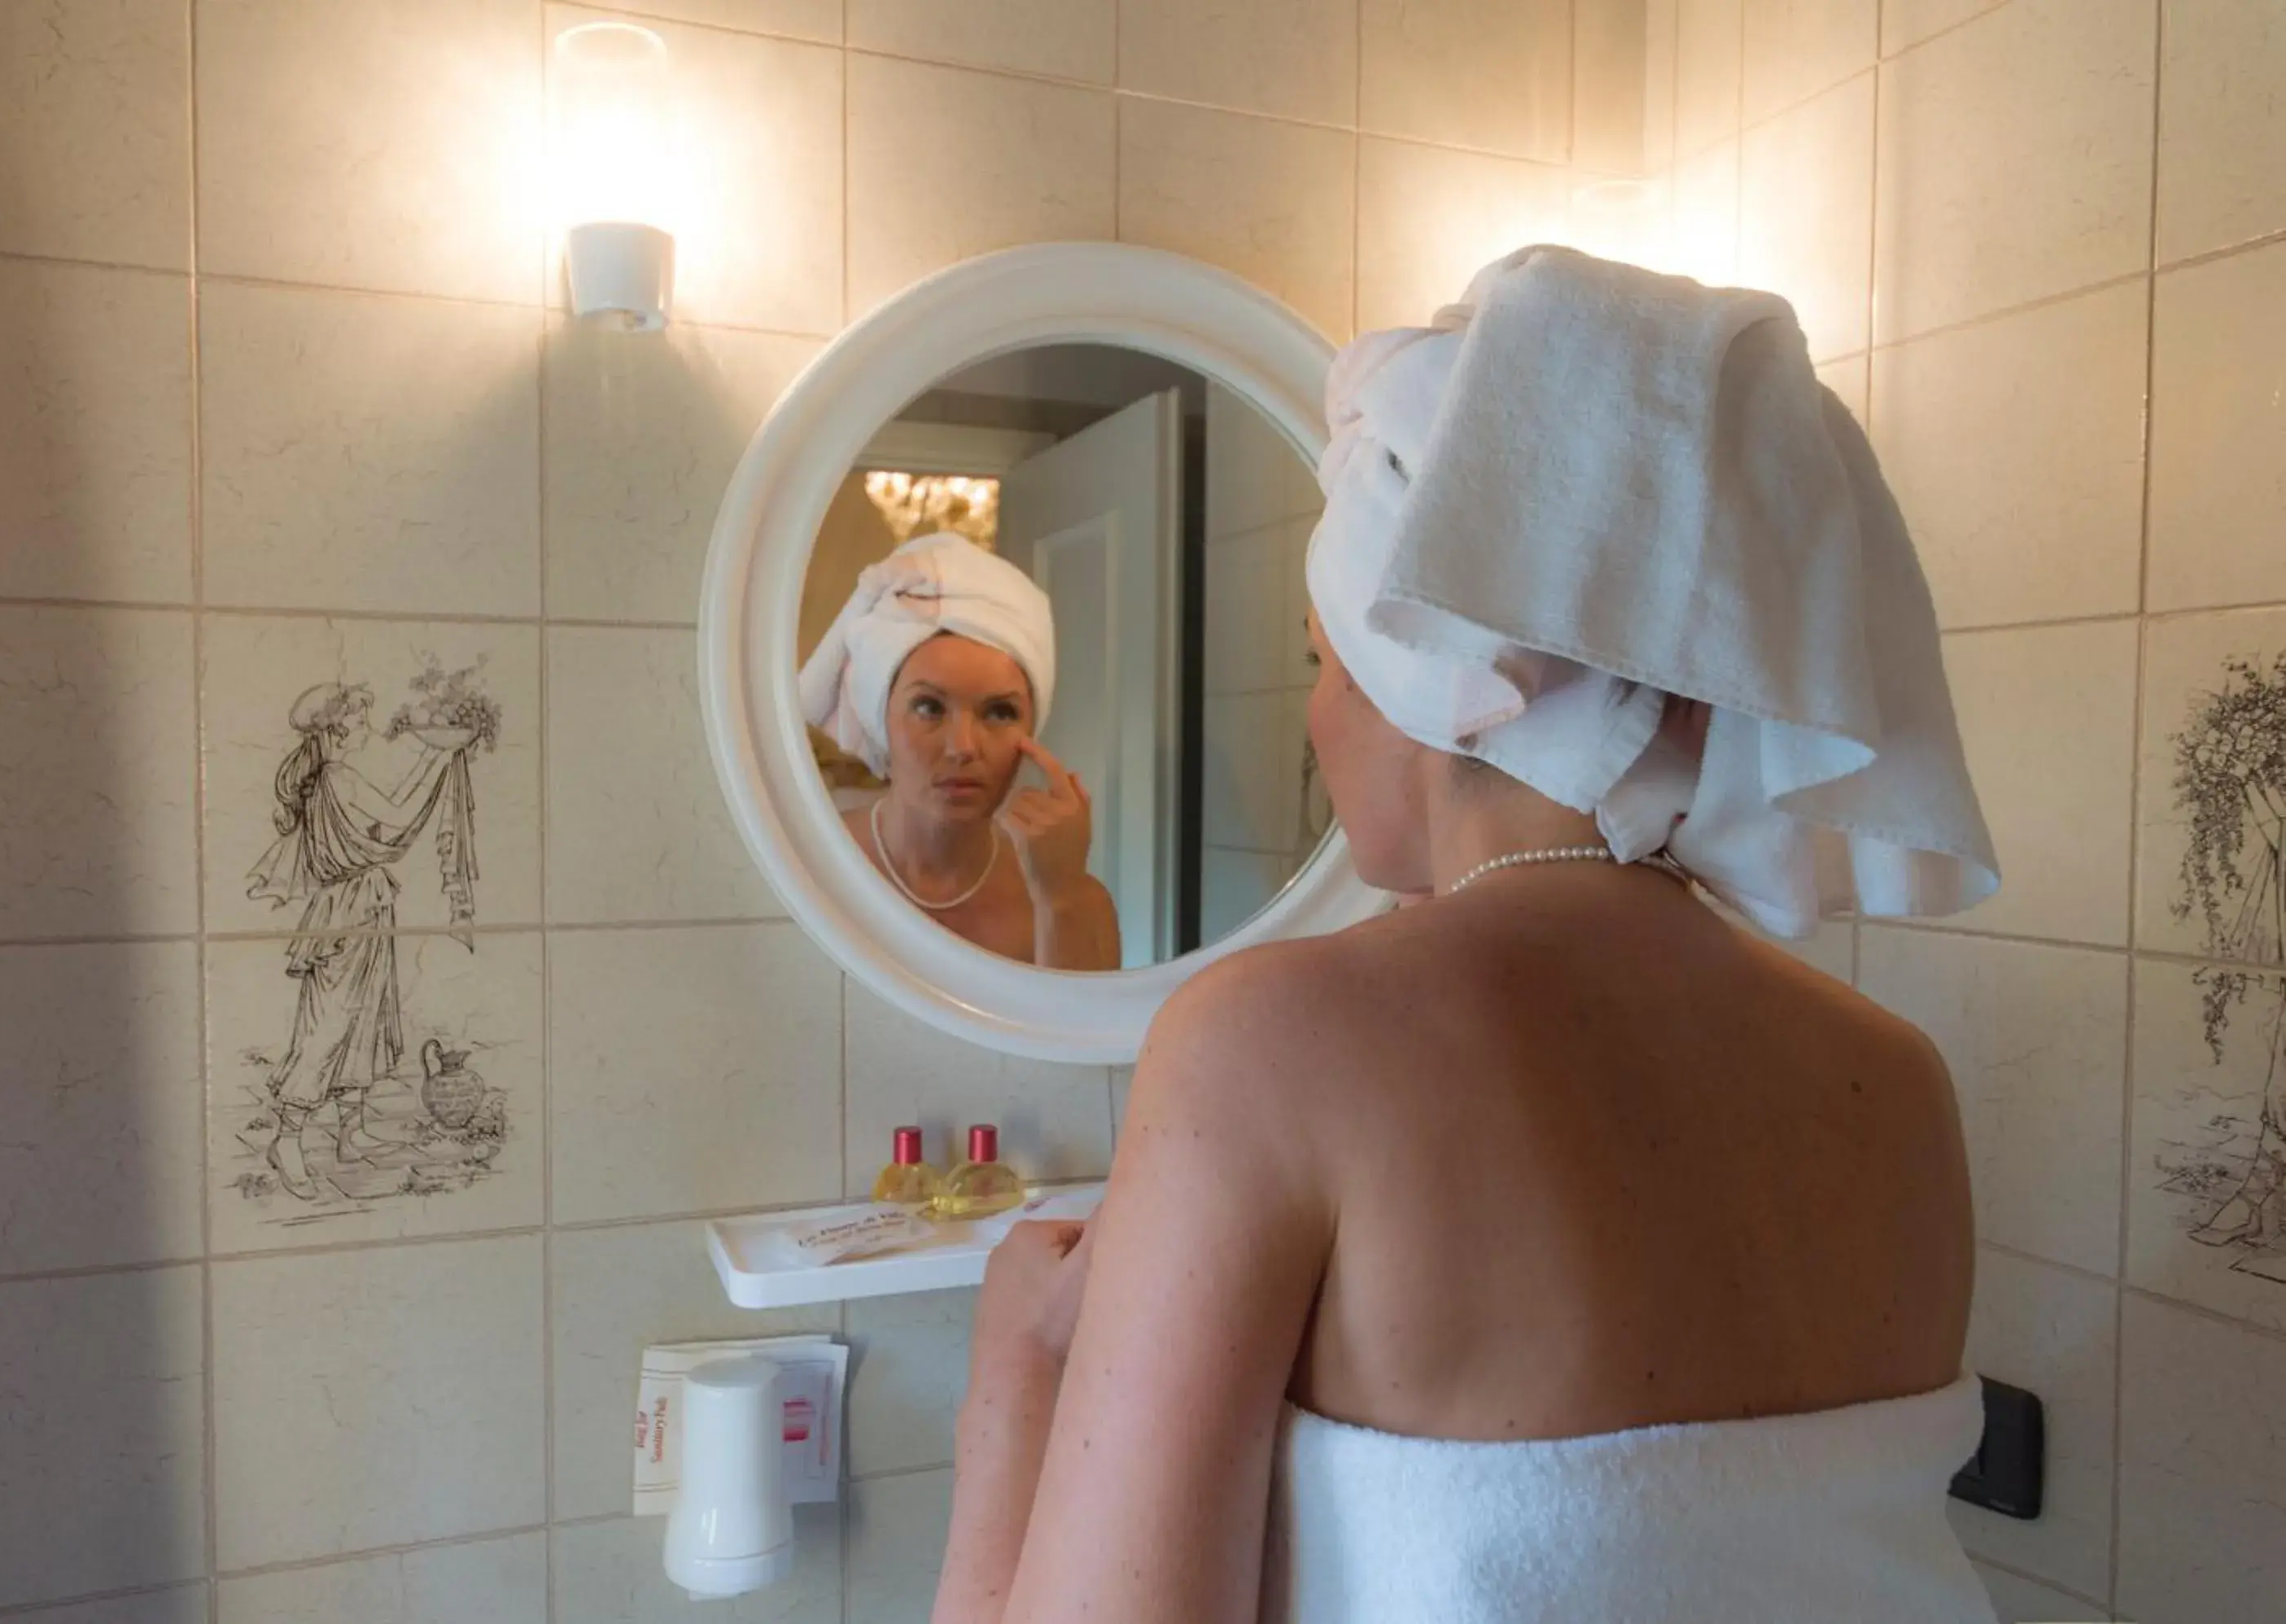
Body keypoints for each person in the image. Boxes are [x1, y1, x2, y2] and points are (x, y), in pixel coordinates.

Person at [931, 248, 2004, 1623]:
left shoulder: (1274, 1043)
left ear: (1428, 680)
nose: (1318, 718)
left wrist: (1013, 1376)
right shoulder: (1899, 1081)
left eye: (1324, 661)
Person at [801, 530, 1120, 971]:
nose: (963, 748)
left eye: (1000, 712)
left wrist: (1060, 896)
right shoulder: (807, 863)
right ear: (880, 721)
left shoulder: (1075, 900)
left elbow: (1086, 1035)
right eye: (929, 707)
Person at [247, 682, 476, 1198]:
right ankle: (288, 1139)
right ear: (338, 727)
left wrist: (435, 759)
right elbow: (395, 824)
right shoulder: (336, 778)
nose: (368, 726)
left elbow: (392, 814)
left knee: (368, 1016)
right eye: (359, 717)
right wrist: (437, 761)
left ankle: (350, 1132)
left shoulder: (334, 778)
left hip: (366, 906)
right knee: (328, 1027)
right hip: (346, 913)